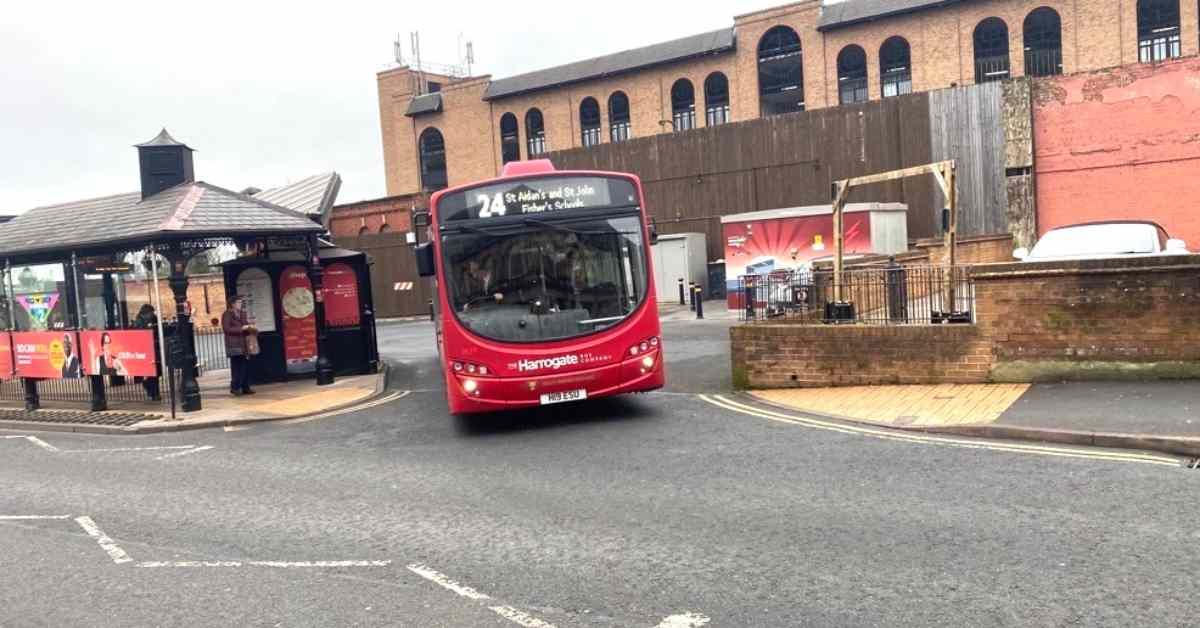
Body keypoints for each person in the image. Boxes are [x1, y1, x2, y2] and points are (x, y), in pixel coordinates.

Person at [221, 295, 254, 396]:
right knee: (237, 366)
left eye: (241, 302)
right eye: (239, 302)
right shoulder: (227, 314)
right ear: (233, 304)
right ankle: (235, 387)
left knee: (245, 365)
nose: (241, 304)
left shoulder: (242, 313)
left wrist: (250, 327)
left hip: (244, 343)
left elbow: (246, 325)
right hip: (234, 344)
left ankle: (245, 387)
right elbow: (226, 329)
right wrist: (241, 329)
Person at [131, 304, 160, 400]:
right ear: (146, 313)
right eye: (151, 313)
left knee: (153, 373)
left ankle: (154, 393)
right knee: (148, 374)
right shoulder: (138, 322)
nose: (152, 315)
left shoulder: (151, 320)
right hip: (144, 351)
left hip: (150, 350)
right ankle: (152, 392)